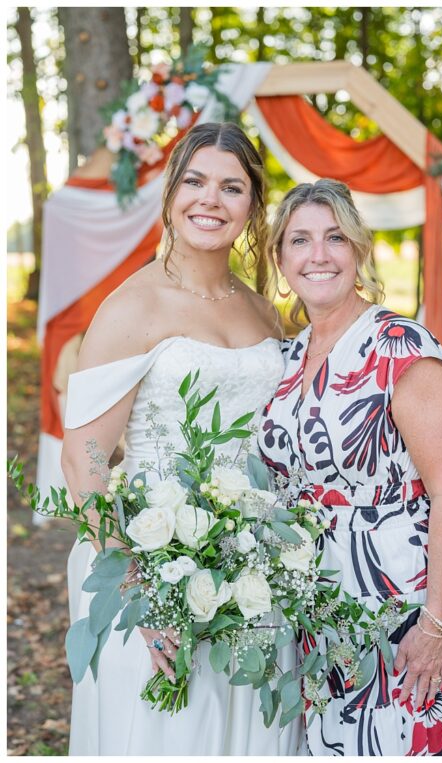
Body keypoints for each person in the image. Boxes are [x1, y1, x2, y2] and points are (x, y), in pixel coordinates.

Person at [60, 122, 300, 754]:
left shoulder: (261, 309)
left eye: (232, 187)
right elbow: (82, 455)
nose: (210, 200)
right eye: (194, 181)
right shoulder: (131, 306)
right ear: (169, 195)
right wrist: (135, 583)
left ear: (252, 206)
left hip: (251, 567)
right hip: (150, 564)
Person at [259, 179, 442, 756]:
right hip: (318, 602)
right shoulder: (287, 355)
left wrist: (434, 626)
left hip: (399, 599)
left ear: (358, 249)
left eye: (335, 237)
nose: (319, 255)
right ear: (280, 258)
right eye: (300, 240)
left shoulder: (400, 346)